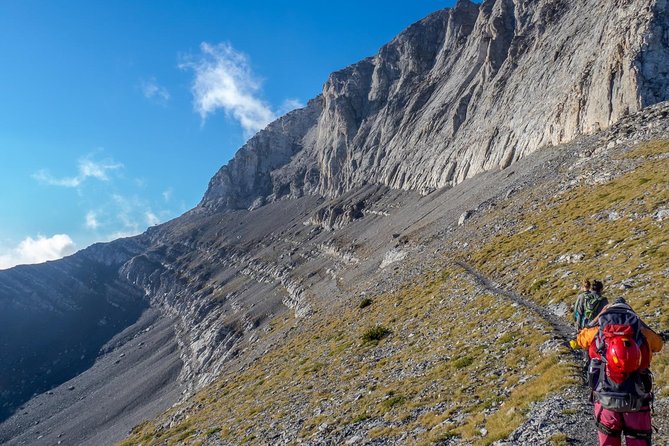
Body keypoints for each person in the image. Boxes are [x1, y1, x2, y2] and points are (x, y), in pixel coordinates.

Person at [572, 297, 663, 446]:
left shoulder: (598, 331)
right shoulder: (641, 331)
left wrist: (596, 319)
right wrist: (641, 324)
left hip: (605, 398)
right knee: (638, 441)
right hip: (637, 399)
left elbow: (580, 338)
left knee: (608, 439)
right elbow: (658, 344)